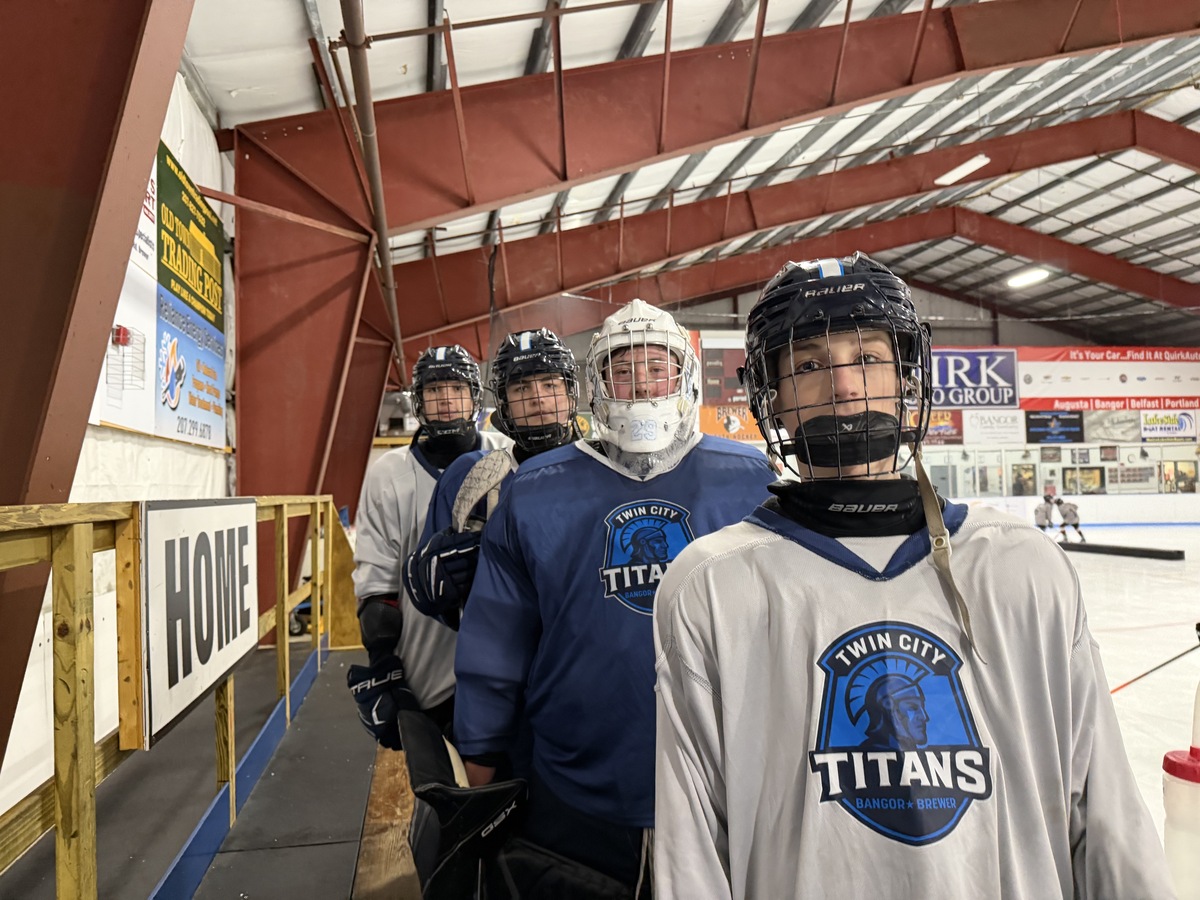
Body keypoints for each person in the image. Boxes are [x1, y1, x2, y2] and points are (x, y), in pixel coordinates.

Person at [653, 253, 1174, 899]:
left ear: (908, 381)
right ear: (772, 399)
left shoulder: (1022, 563)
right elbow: (692, 839)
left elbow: (1104, 808)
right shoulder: (712, 583)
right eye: (809, 366)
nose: (844, 387)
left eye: (868, 357)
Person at [452, 299, 776, 895]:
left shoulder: (753, 477)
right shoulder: (535, 489)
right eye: (623, 369)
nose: (640, 383)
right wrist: (480, 756)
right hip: (579, 781)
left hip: (732, 778)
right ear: (596, 383)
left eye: (657, 367)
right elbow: (496, 641)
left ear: (684, 376)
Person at [347, 345, 507, 750]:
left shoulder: (507, 455)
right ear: (419, 401)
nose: (447, 399)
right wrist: (385, 662)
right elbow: (377, 580)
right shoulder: (388, 474)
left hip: (506, 654)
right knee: (440, 795)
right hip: (427, 669)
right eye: (435, 390)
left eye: (456, 387)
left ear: (475, 396)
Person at [405, 328, 582, 632]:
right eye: (522, 388)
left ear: (570, 393)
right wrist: (433, 573)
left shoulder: (607, 469)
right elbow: (429, 590)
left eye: (550, 384)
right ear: (503, 401)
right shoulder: (470, 475)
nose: (538, 398)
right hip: (501, 659)